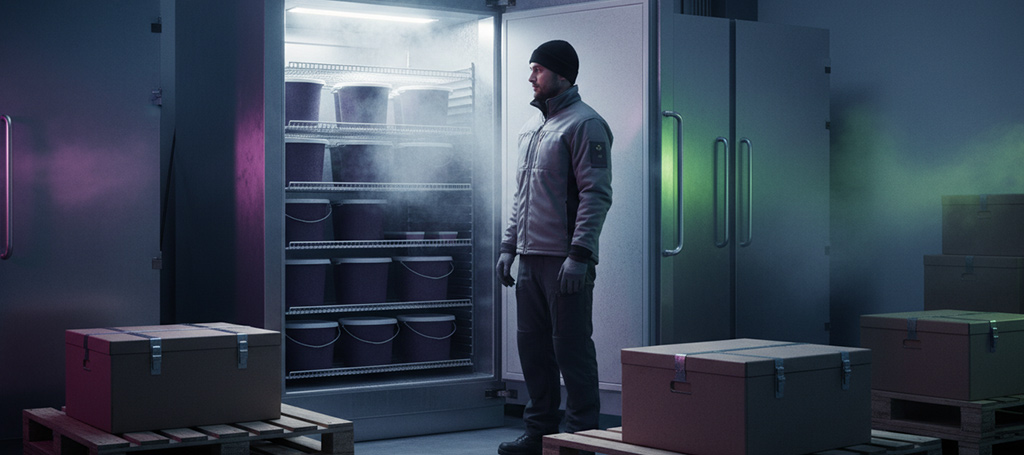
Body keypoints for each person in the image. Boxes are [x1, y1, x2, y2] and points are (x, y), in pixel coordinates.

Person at [495, 39, 613, 455]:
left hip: (565, 263)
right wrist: (509, 245)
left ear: (562, 75)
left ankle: (580, 439)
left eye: (538, 70)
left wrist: (580, 255)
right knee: (534, 350)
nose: (531, 77)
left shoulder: (585, 125)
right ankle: (538, 434)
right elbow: (521, 195)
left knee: (572, 350)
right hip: (529, 259)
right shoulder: (533, 128)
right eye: (531, 69)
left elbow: (595, 195)